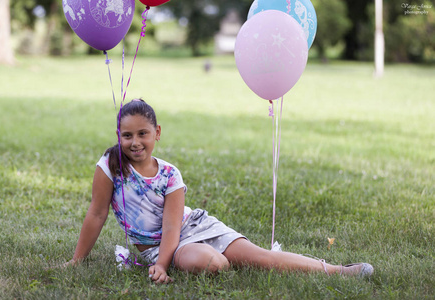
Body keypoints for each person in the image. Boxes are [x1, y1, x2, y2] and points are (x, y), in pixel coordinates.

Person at [66, 99, 373, 284]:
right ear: (118, 135)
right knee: (214, 265)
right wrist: (78, 260)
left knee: (261, 258)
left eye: (143, 134)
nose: (135, 142)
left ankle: (334, 270)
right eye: (127, 135)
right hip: (158, 246)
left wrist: (162, 267)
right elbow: (97, 213)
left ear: (157, 134)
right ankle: (223, 257)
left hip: (194, 227)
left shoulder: (170, 175)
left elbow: (174, 225)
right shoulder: (111, 166)